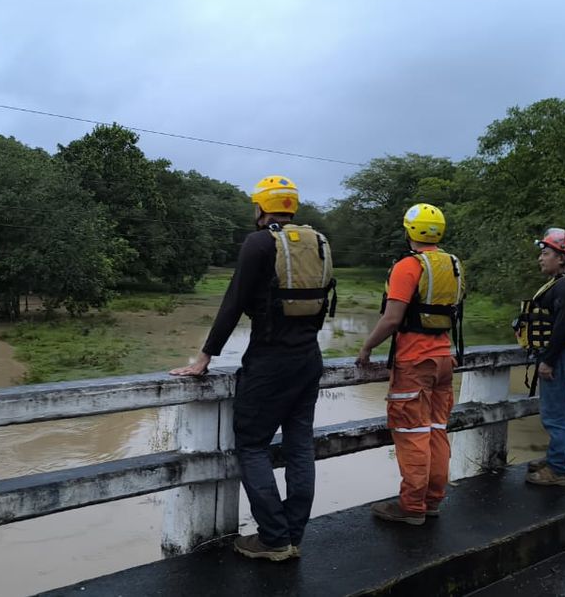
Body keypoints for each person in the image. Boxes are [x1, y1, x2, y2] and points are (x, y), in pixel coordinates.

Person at [170, 175, 335, 561]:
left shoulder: (259, 242)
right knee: (299, 447)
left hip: (269, 362)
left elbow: (233, 302)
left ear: (261, 208)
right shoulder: (320, 243)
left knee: (252, 444)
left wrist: (204, 357)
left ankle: (274, 539)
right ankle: (293, 535)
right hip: (309, 359)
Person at [355, 203, 464, 526]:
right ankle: (432, 500)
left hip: (415, 362)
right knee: (436, 431)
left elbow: (392, 319)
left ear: (409, 231)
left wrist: (366, 347)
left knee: (412, 433)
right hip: (444, 358)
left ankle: (412, 507)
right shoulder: (453, 265)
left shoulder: (408, 266)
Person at [514, 228, 565, 486]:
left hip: (559, 358)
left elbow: (563, 325)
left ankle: (558, 471)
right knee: (560, 412)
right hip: (562, 356)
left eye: (546, 253)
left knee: (555, 415)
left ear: (562, 258)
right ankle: (559, 460)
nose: (540, 258)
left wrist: (547, 359)